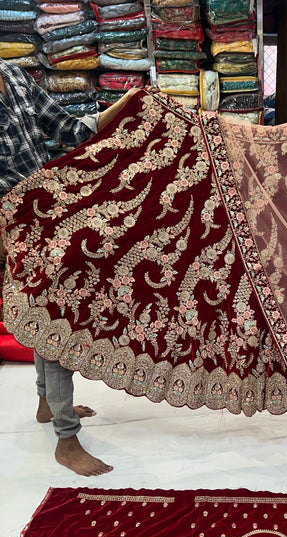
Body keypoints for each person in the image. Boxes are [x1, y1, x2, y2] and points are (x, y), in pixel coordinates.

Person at [0, 57, 148, 476]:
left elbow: (63, 128)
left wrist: (121, 108)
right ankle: (67, 439)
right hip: (15, 224)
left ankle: (48, 404)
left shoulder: (11, 74)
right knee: (54, 318)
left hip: (47, 214)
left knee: (45, 312)